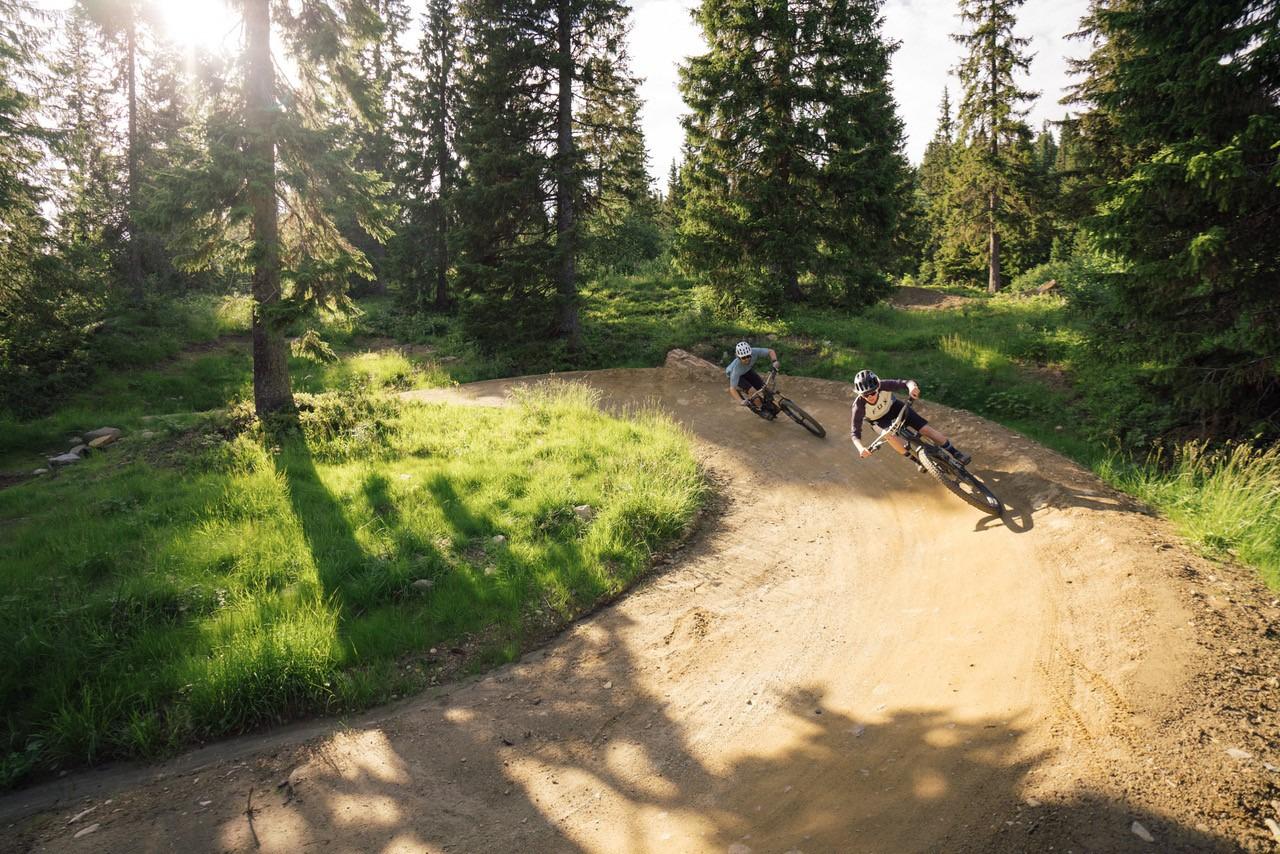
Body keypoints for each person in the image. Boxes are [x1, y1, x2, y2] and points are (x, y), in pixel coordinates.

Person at [849, 369, 971, 466]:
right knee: (890, 437)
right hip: (879, 421)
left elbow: (907, 382)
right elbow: (855, 433)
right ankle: (917, 461)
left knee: (925, 430)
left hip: (894, 408)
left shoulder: (883, 385)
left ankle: (956, 453)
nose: (870, 396)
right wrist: (861, 448)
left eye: (873, 392)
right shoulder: (858, 406)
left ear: (878, 387)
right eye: (865, 395)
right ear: (860, 395)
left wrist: (912, 387)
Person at [726, 340, 780, 418]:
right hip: (737, 376)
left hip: (747, 370)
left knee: (763, 387)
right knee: (752, 391)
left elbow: (770, 351)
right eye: (743, 358)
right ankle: (761, 408)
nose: (747, 359)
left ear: (751, 353)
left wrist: (775, 361)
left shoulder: (754, 351)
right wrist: (740, 401)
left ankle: (769, 403)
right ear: (738, 357)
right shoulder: (735, 370)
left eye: (748, 356)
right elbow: (732, 389)